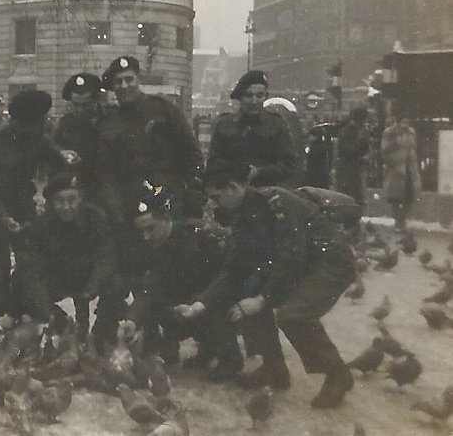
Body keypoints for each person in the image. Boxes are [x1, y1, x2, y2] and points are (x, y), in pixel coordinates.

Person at [176, 161, 356, 409]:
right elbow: (234, 269)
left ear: (234, 187)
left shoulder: (277, 202)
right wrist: (201, 303)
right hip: (302, 265)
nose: (213, 204)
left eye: (216, 197)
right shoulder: (241, 218)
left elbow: (291, 257)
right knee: (246, 297)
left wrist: (263, 299)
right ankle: (275, 372)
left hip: (330, 263)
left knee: (292, 315)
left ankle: (338, 374)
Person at [98, 56, 205, 291]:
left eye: (129, 80)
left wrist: (192, 195)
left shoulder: (163, 110)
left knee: (174, 268)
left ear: (139, 79)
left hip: (168, 201)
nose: (124, 86)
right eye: (119, 82)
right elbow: (105, 172)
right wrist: (115, 210)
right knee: (135, 270)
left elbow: (192, 155)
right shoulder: (110, 122)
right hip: (129, 207)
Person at [127, 182, 240, 379]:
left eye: (150, 228)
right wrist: (132, 319)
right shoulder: (155, 243)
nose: (145, 237)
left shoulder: (200, 234)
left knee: (208, 309)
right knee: (149, 299)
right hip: (188, 301)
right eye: (142, 231)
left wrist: (196, 304)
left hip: (221, 296)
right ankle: (173, 348)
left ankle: (230, 359)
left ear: (166, 219)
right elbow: (151, 285)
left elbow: (226, 279)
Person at [12, 173, 125, 343]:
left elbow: (106, 258)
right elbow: (31, 272)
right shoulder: (42, 226)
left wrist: (90, 291)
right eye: (60, 201)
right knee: (21, 285)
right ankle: (59, 324)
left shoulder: (94, 219)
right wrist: (49, 311)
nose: (66, 207)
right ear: (52, 202)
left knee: (115, 284)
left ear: (80, 199)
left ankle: (102, 331)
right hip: (59, 282)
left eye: (72, 200)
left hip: (88, 282)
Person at [0, 89, 71, 315]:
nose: (43, 124)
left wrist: (68, 165)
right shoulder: (2, 139)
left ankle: (25, 303)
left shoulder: (36, 137)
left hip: (22, 201)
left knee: (31, 256)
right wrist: (3, 216)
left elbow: (57, 161)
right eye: (40, 120)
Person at [207, 70, 298, 188]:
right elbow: (213, 164)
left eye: (259, 96)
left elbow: (289, 165)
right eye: (248, 95)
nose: (254, 101)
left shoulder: (277, 124)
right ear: (240, 98)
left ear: (266, 96)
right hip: (231, 193)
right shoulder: (224, 125)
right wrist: (237, 170)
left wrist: (260, 172)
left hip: (267, 194)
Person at [53, 72, 106, 199]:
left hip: (102, 191)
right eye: (75, 104)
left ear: (96, 101)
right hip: (73, 192)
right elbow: (54, 148)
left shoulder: (109, 122)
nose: (80, 110)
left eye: (85, 105)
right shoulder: (65, 123)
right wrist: (61, 154)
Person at [381, 116, 422, 231]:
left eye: (408, 122)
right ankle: (397, 221)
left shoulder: (412, 132)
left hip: (410, 169)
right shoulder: (390, 132)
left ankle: (402, 220)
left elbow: (414, 148)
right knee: (395, 198)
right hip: (396, 168)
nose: (406, 124)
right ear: (398, 122)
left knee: (410, 196)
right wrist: (392, 163)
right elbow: (384, 150)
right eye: (403, 122)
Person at [335, 106, 371, 208]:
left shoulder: (360, 130)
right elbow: (347, 149)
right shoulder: (347, 131)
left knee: (357, 196)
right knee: (349, 196)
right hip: (348, 166)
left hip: (357, 167)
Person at [302, 123, 335, 189]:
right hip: (320, 177)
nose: (309, 138)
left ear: (315, 136)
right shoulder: (321, 146)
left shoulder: (317, 148)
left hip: (316, 177)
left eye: (311, 136)